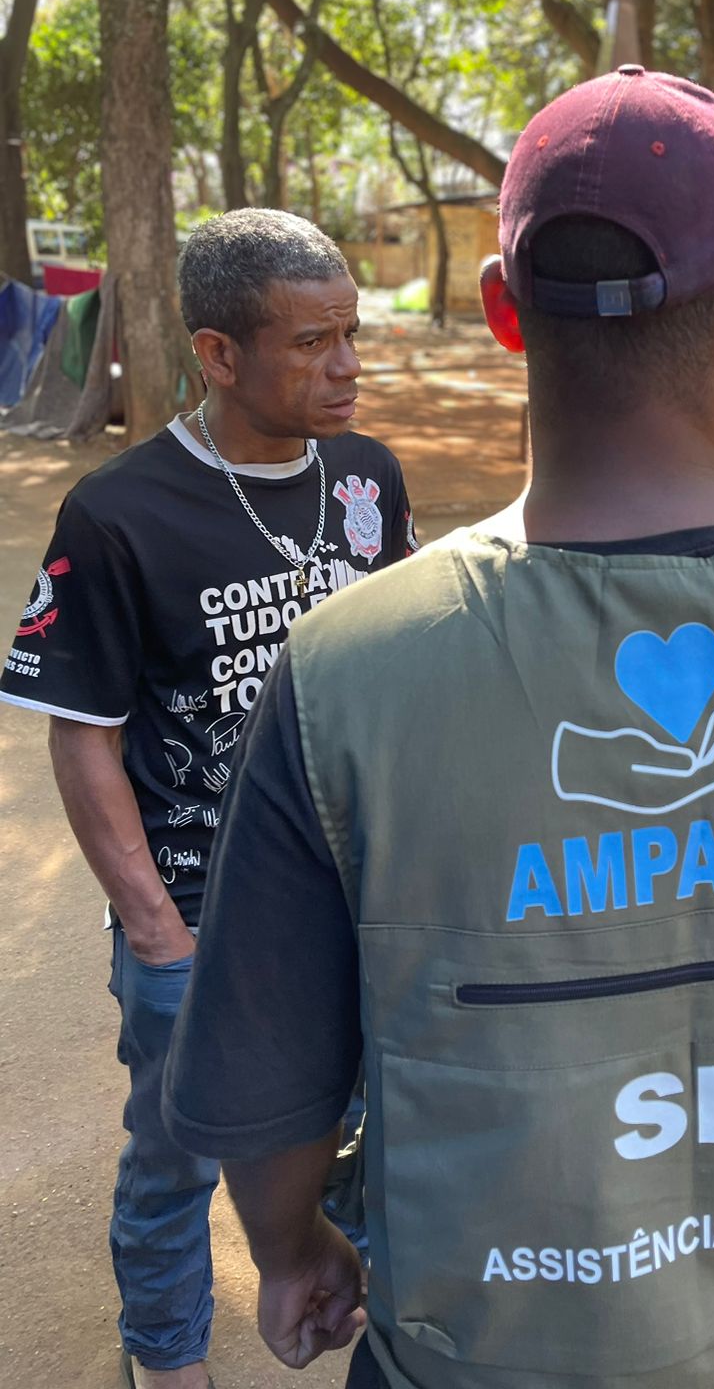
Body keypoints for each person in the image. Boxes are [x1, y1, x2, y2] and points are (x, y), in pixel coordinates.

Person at [164, 66, 714, 1389]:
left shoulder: (347, 673)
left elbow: (265, 1094)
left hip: (472, 1355)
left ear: (504, 313)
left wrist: (298, 1245)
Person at [0, 208, 416, 1389]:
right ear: (218, 354)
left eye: (351, 334)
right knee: (178, 1160)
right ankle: (168, 1359)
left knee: (377, 1127)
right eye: (311, 342)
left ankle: (373, 1309)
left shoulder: (369, 476)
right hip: (200, 917)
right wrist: (155, 931)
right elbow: (84, 736)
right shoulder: (120, 512)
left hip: (356, 904)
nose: (346, 366)